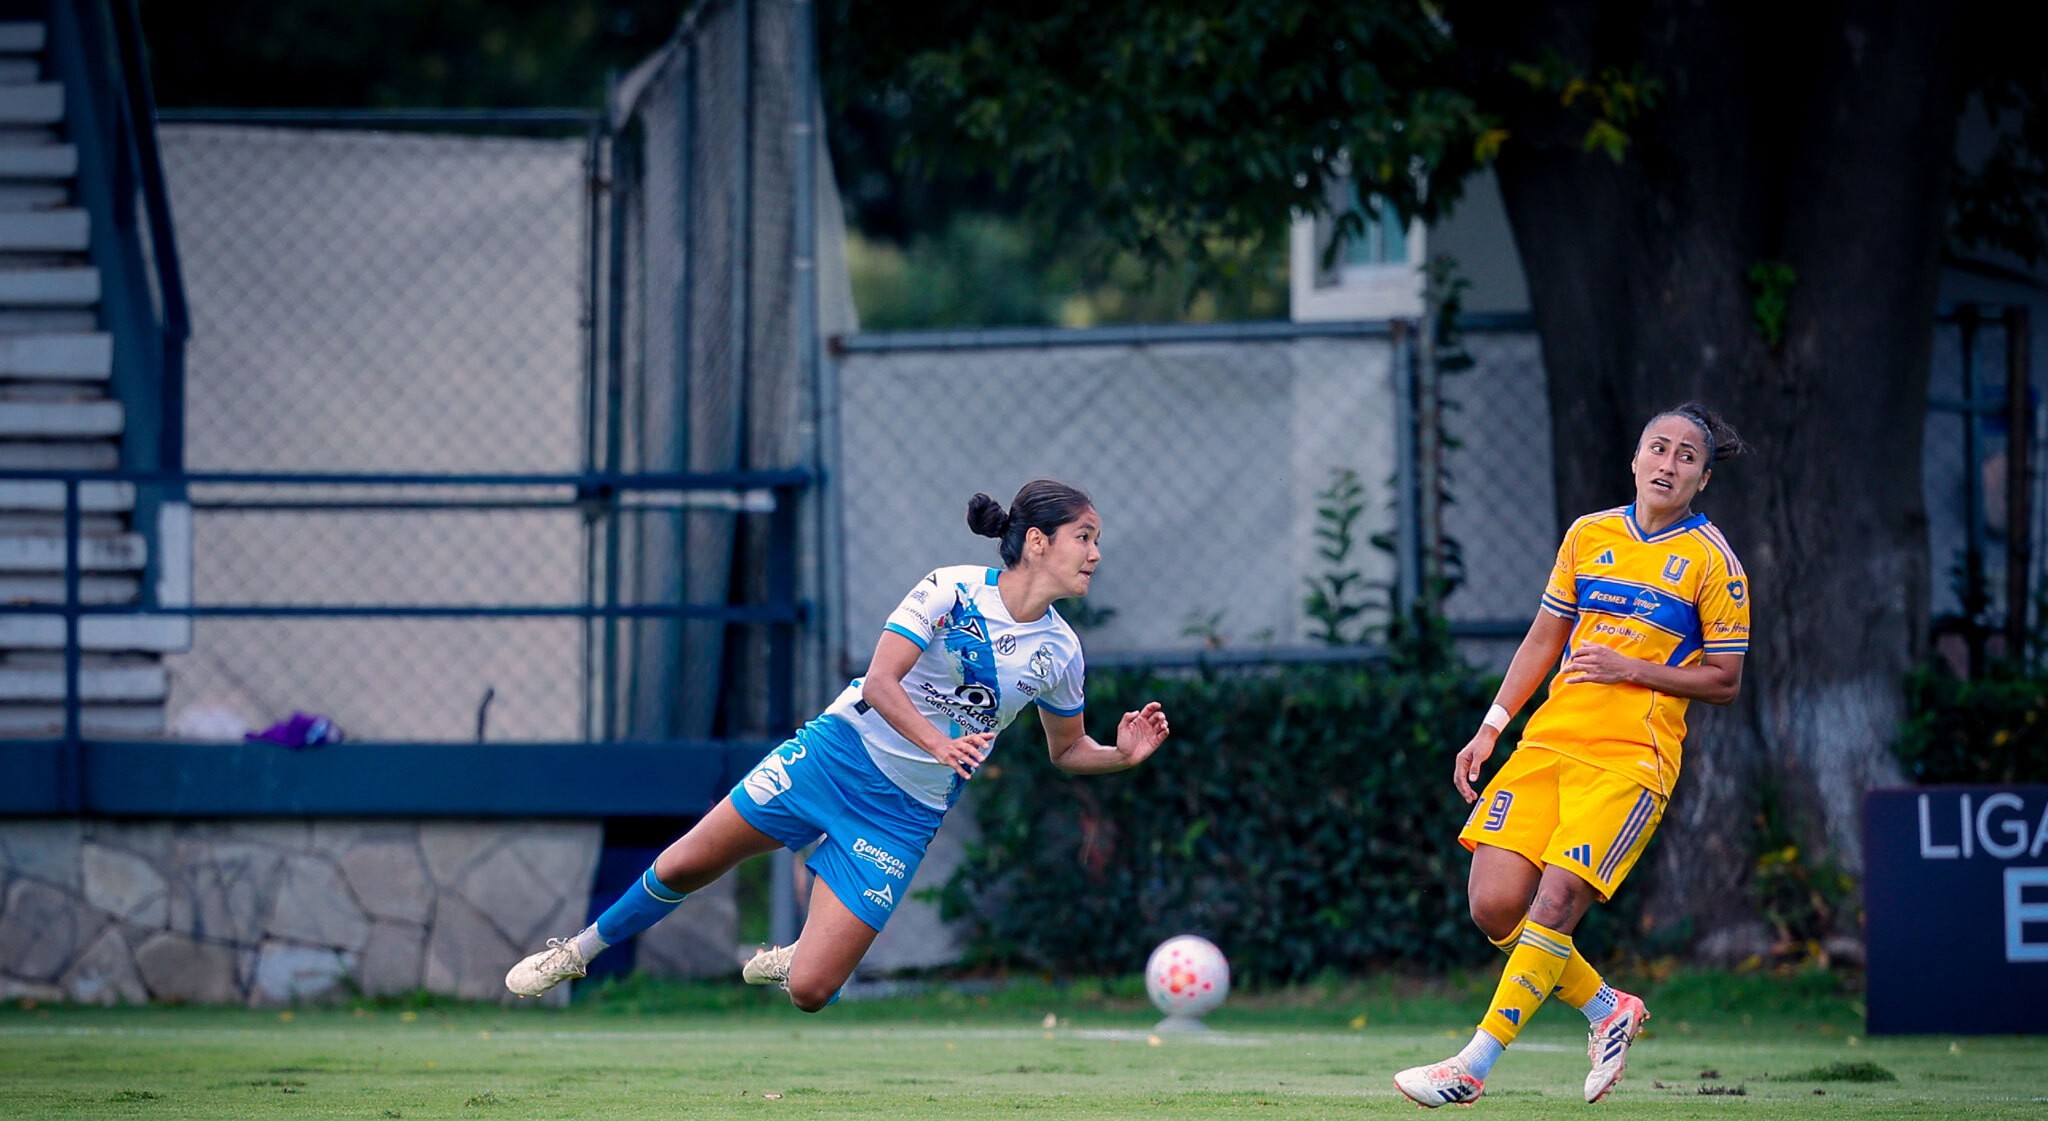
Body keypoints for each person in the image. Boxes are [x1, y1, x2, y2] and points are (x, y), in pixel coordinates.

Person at [505, 479, 1171, 1010]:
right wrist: (939, 741)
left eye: (1096, 540)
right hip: (836, 755)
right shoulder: (951, 588)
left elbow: (1068, 749)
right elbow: (881, 682)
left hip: (903, 813)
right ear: (1036, 541)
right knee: (685, 864)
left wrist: (1120, 755)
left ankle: (805, 940)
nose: (1095, 554)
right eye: (1084, 537)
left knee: (812, 991)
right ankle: (577, 952)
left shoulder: (1060, 650)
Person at [1393, 403, 1751, 1107]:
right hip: (1549, 742)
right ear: (1636, 458)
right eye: (1658, 447)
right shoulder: (1589, 535)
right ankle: (1606, 1008)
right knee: (1494, 905)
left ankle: (1473, 1064)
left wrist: (1631, 668)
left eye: (1686, 456)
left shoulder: (1716, 562)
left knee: (1556, 900)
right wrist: (1493, 725)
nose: (1668, 463)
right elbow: (1542, 638)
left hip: (1630, 760)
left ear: (1703, 478)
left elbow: (1726, 680)